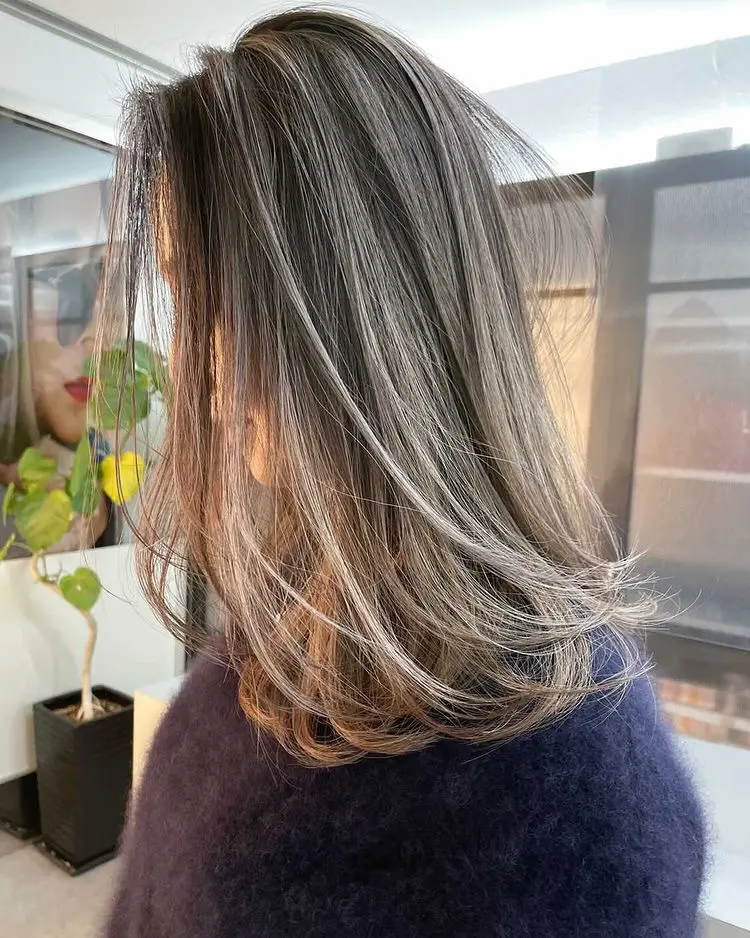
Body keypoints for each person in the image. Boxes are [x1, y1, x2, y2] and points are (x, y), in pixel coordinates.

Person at [103, 10, 704, 937]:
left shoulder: (575, 796)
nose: (202, 374)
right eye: (187, 301)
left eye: (230, 301)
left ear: (372, 314)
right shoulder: (276, 642)